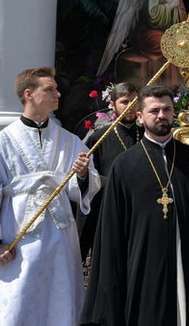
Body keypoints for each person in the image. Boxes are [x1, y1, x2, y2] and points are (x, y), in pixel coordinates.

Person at [0, 67, 101, 325]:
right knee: (14, 304)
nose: (58, 93)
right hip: (16, 239)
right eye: (49, 89)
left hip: (59, 239)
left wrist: (81, 175)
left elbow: (86, 186)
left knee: (58, 303)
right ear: (29, 94)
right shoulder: (0, 143)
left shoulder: (69, 141)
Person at [81, 84, 189, 325]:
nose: (161, 115)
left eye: (167, 109)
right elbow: (113, 229)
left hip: (184, 258)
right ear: (140, 116)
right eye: (154, 110)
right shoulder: (124, 165)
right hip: (141, 263)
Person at [77, 82, 140, 261]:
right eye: (124, 101)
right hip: (109, 210)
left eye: (135, 101)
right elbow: (88, 179)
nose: (130, 106)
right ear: (112, 105)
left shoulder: (146, 135)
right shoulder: (99, 138)